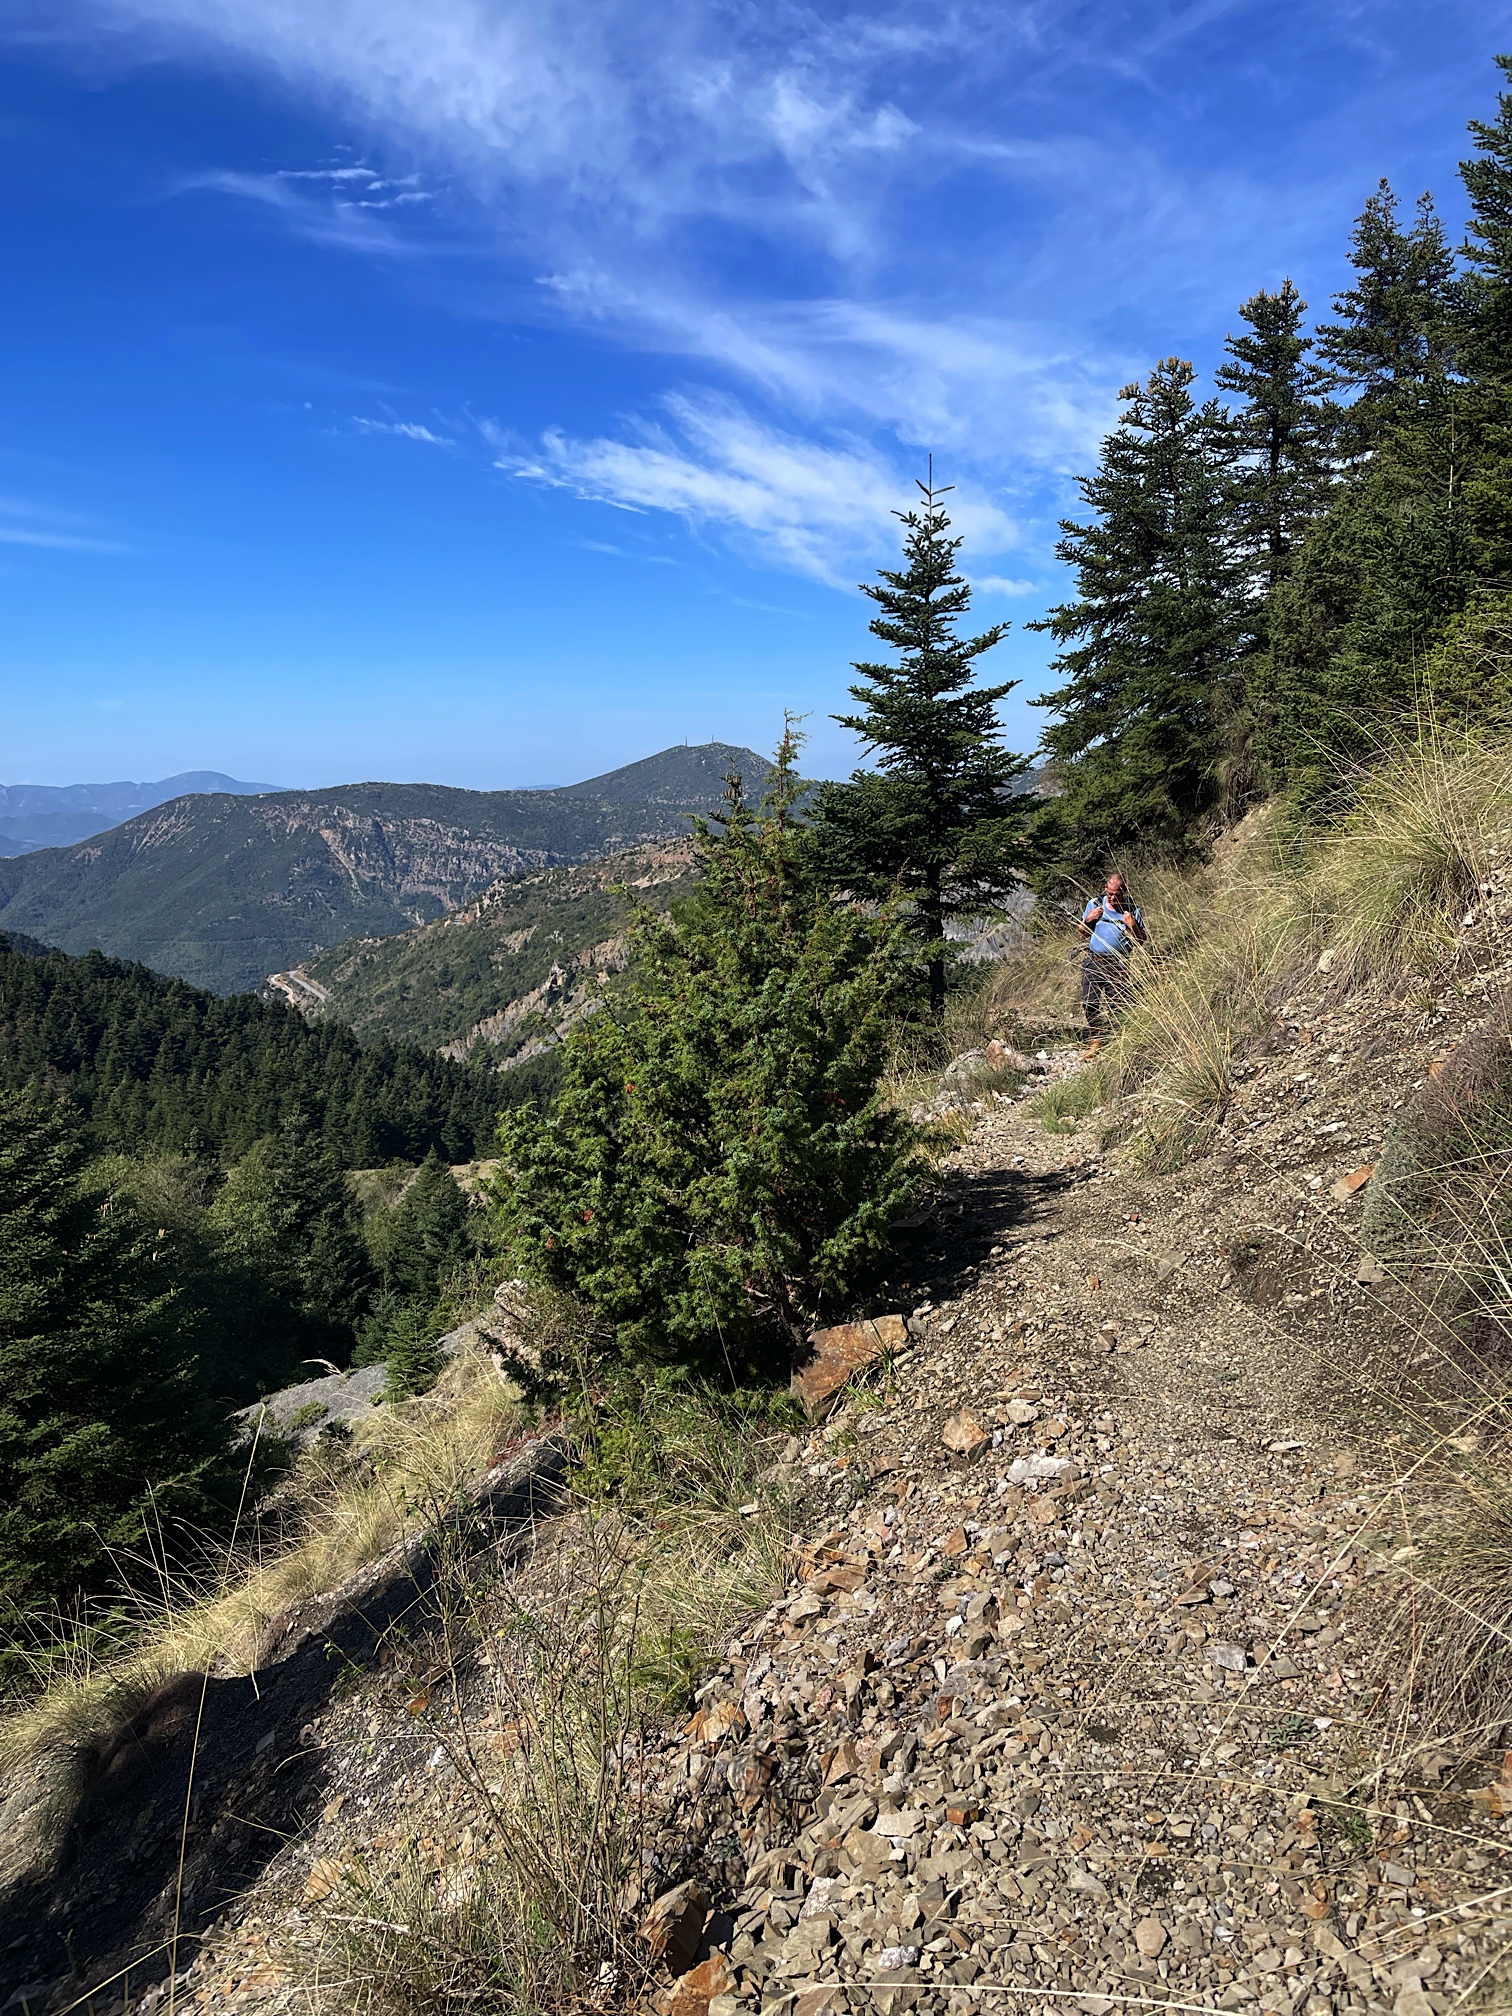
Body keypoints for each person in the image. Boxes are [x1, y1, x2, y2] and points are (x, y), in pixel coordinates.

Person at [1078, 871, 1146, 1051]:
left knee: (1118, 1005)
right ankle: (1096, 1041)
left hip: (1118, 964)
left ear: (1123, 891)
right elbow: (1083, 932)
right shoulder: (1094, 904)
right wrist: (1088, 919)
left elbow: (1141, 941)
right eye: (1110, 894)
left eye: (1117, 894)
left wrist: (1133, 926)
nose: (1113, 898)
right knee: (1089, 1002)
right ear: (1105, 889)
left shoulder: (1132, 910)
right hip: (1094, 960)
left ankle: (1118, 1042)